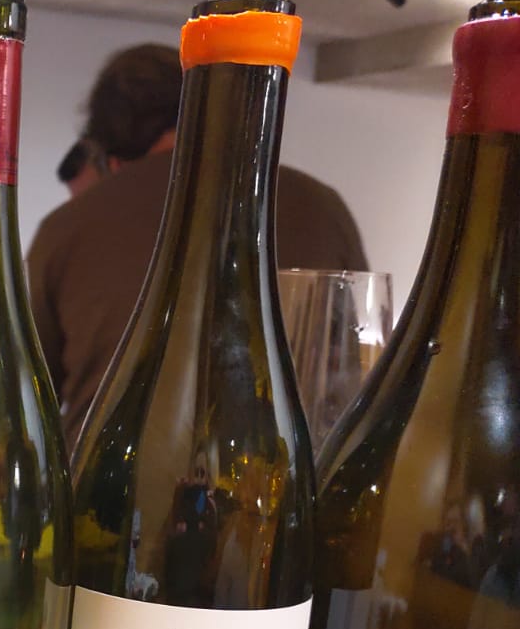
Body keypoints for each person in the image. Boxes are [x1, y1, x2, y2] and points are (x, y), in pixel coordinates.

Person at [28, 43, 369, 442]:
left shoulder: (65, 227)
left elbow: (27, 392)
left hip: (110, 475)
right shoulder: (321, 205)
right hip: (283, 470)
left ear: (111, 157)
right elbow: (353, 364)